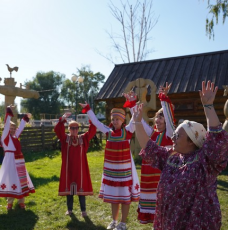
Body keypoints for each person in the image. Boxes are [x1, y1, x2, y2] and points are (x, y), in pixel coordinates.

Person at [133, 81, 228, 230]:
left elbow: (217, 139)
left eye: (177, 135)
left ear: (191, 140)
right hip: (169, 222)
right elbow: (149, 147)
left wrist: (208, 106)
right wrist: (137, 122)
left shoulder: (205, 162)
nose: (173, 138)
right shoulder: (171, 157)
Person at [79, 103, 140, 230]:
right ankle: (114, 220)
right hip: (112, 172)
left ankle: (123, 223)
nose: (115, 121)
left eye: (117, 119)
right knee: (114, 199)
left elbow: (134, 119)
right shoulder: (108, 132)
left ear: (122, 120)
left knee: (125, 199)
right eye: (113, 119)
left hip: (124, 173)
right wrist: (88, 109)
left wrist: (133, 104)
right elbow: (96, 123)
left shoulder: (127, 131)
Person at [123, 82, 175, 224]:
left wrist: (163, 98)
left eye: (161, 117)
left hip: (161, 180)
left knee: (164, 214)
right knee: (154, 217)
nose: (158, 120)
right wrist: (133, 103)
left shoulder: (170, 135)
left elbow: (170, 121)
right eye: (157, 117)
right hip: (148, 180)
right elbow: (139, 121)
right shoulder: (152, 134)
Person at [54, 112, 96, 217]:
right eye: (72, 128)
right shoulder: (65, 139)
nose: (75, 130)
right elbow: (57, 130)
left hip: (80, 169)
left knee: (81, 191)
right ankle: (69, 209)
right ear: (69, 129)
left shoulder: (83, 138)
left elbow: (92, 130)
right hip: (68, 169)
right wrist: (62, 118)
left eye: (76, 128)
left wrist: (91, 117)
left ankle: (83, 211)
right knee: (69, 191)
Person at [0, 105, 35, 210]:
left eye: (13, 128)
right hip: (10, 161)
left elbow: (21, 128)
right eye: (10, 128)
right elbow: (6, 126)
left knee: (21, 180)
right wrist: (9, 112)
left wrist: (25, 117)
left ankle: (21, 201)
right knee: (11, 180)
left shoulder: (15, 136)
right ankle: (10, 202)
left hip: (19, 161)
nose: (12, 130)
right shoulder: (5, 138)